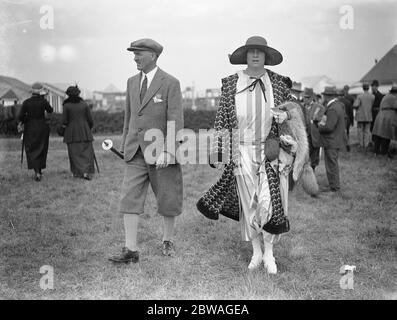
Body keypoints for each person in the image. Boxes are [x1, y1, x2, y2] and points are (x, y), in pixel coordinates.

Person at [197, 36, 308, 274]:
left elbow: (297, 110)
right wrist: (219, 150)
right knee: (249, 203)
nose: (256, 56)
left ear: (266, 56)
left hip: (271, 149)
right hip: (242, 150)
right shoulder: (231, 84)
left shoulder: (278, 83)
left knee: (269, 201)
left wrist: (286, 117)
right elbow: (223, 119)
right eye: (251, 52)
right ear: (245, 56)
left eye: (260, 52)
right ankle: (257, 252)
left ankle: (270, 253)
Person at [109, 38, 183, 264]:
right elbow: (129, 117)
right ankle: (131, 250)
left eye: (139, 53)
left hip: (162, 154)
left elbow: (175, 120)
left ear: (153, 55)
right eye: (134, 53)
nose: (135, 57)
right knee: (129, 198)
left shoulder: (170, 82)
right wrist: (125, 146)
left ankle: (167, 240)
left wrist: (169, 152)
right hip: (135, 152)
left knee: (168, 198)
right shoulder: (131, 82)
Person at [18, 83, 53, 181]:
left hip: (30, 128)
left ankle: (37, 172)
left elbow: (20, 116)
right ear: (40, 91)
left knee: (32, 149)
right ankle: (39, 172)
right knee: (41, 148)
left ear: (32, 91)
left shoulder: (26, 102)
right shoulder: (44, 101)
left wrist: (26, 120)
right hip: (42, 127)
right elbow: (50, 110)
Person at [61, 85, 95, 180]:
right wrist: (89, 128)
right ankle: (86, 172)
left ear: (68, 95)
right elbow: (90, 120)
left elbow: (64, 121)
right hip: (85, 131)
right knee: (87, 153)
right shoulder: (84, 104)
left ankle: (77, 172)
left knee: (74, 154)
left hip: (71, 132)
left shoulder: (66, 106)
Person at [317, 86, 347, 192]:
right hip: (335, 139)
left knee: (331, 165)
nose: (323, 97)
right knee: (332, 164)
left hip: (331, 140)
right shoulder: (337, 106)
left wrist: (319, 127)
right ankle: (333, 185)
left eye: (325, 95)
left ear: (328, 96)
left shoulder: (333, 108)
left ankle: (334, 187)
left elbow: (329, 127)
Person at [371, 83, 397, 157]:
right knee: (386, 135)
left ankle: (376, 152)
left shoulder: (387, 96)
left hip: (380, 116)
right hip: (387, 118)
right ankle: (383, 153)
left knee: (379, 135)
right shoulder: (393, 98)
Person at [302, 87, 325, 171]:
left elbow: (319, 120)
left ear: (312, 97)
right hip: (304, 137)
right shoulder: (301, 107)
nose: (305, 99)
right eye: (304, 97)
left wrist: (313, 120)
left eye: (307, 97)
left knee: (313, 161)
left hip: (314, 137)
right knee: (303, 160)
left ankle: (312, 177)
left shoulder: (319, 107)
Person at [353, 83, 375, 150]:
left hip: (360, 116)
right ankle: (366, 144)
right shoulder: (372, 96)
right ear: (368, 88)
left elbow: (355, 105)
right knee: (367, 131)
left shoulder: (359, 96)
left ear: (363, 88)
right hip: (369, 115)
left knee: (360, 130)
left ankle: (361, 144)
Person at [339, 86, 354, 151]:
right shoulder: (348, 102)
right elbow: (351, 113)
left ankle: (339, 146)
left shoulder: (337, 102)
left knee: (339, 133)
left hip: (339, 120)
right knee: (347, 133)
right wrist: (352, 121)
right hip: (347, 120)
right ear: (344, 94)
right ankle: (347, 146)